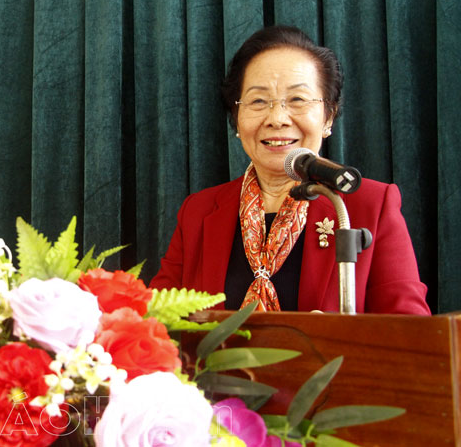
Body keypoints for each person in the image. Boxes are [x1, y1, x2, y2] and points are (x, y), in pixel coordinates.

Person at [150, 25, 430, 315]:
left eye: (297, 100)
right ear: (237, 118)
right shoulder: (198, 212)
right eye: (258, 101)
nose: (277, 118)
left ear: (328, 117)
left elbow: (409, 331)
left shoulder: (369, 206)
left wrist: (334, 336)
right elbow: (152, 324)